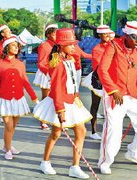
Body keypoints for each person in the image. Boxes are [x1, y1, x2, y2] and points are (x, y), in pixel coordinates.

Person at [97, 21, 137, 174]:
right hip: (115, 94)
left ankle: (134, 152)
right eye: (134, 37)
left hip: (132, 92)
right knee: (113, 129)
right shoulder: (113, 46)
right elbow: (102, 70)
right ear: (126, 35)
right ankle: (105, 162)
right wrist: (113, 90)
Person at [33, 28, 92, 178]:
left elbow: (72, 82)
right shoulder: (57, 63)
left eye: (74, 44)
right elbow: (57, 88)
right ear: (60, 45)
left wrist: (77, 97)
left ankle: (75, 166)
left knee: (81, 131)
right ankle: (45, 162)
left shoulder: (69, 59)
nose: (74, 46)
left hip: (72, 100)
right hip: (60, 103)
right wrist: (60, 110)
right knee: (56, 133)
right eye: (70, 44)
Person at [0, 36, 38, 160]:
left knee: (13, 126)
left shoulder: (20, 64)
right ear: (7, 48)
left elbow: (26, 82)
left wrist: (34, 97)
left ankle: (7, 146)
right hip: (4, 98)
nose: (17, 48)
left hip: (18, 98)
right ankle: (7, 149)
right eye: (14, 46)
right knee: (9, 125)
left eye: (18, 46)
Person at [81, 25, 111, 140]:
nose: (107, 36)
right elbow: (100, 66)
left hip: (110, 78)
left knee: (109, 107)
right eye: (105, 34)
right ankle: (93, 131)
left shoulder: (112, 46)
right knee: (95, 105)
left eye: (108, 34)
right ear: (99, 35)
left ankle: (108, 131)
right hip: (98, 78)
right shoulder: (97, 48)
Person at [33, 23, 58, 130]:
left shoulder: (58, 45)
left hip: (56, 72)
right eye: (54, 34)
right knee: (46, 98)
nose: (56, 36)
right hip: (46, 74)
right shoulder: (44, 45)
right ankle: (43, 120)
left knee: (57, 98)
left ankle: (56, 121)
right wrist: (49, 73)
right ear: (48, 34)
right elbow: (41, 63)